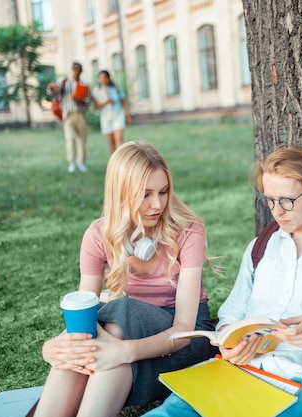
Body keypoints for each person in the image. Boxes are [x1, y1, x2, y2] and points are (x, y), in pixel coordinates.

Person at [144, 144, 302, 417]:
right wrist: (231, 347)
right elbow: (231, 317)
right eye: (269, 200)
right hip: (236, 371)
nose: (277, 211)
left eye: (287, 201)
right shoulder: (261, 246)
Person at [34, 141, 219, 417]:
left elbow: (183, 329)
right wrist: (51, 349)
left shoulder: (188, 230)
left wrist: (123, 352)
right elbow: (86, 316)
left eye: (163, 191)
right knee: (100, 334)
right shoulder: (98, 235)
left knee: (119, 313)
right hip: (127, 331)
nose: (157, 204)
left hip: (186, 335)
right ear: (122, 194)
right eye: (145, 194)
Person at [48, 62, 93, 173]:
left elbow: (88, 100)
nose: (76, 71)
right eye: (74, 69)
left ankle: (81, 162)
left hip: (80, 113)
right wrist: (52, 87)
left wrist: (81, 100)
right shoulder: (64, 81)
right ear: (72, 69)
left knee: (82, 139)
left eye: (78, 69)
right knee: (70, 138)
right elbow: (51, 91)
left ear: (81, 70)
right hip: (68, 113)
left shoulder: (85, 83)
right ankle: (71, 162)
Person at [93, 70, 132, 155]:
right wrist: (106, 102)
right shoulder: (97, 89)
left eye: (104, 78)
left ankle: (121, 159)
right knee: (111, 141)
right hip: (106, 115)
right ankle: (114, 161)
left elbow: (123, 102)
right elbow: (96, 106)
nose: (102, 80)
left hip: (118, 114)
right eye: (100, 78)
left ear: (108, 78)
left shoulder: (116, 87)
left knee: (119, 139)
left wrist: (128, 115)